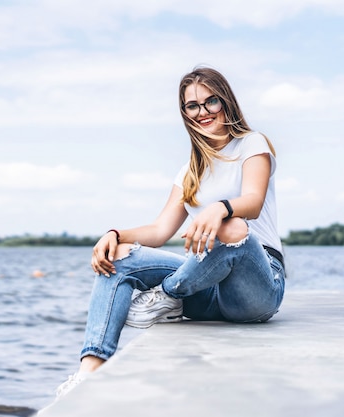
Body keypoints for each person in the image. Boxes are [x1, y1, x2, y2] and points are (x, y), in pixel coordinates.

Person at [55, 66, 286, 397]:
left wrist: (218, 208)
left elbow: (252, 200)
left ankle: (168, 294)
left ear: (227, 102)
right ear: (185, 113)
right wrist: (115, 234)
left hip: (256, 286)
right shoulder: (190, 171)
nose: (203, 112)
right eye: (192, 105)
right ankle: (89, 373)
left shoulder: (252, 144)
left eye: (211, 102)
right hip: (205, 286)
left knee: (232, 226)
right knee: (118, 255)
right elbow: (160, 230)